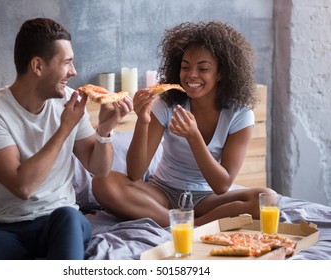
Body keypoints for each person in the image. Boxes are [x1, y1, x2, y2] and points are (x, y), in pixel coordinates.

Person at [0, 18, 132, 259]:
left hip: (61, 219)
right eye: (67, 62)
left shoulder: (70, 100)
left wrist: (105, 131)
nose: (74, 72)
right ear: (37, 66)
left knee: (67, 216)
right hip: (5, 226)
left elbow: (98, 169)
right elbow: (22, 187)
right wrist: (65, 128)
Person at [92, 21, 275, 227]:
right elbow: (135, 173)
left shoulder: (240, 114)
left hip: (207, 199)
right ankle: (193, 225)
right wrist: (143, 121)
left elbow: (222, 185)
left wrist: (194, 137)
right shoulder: (167, 103)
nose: (192, 75)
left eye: (203, 68)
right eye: (185, 66)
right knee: (102, 182)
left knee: (266, 197)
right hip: (161, 192)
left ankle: (184, 223)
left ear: (221, 73)